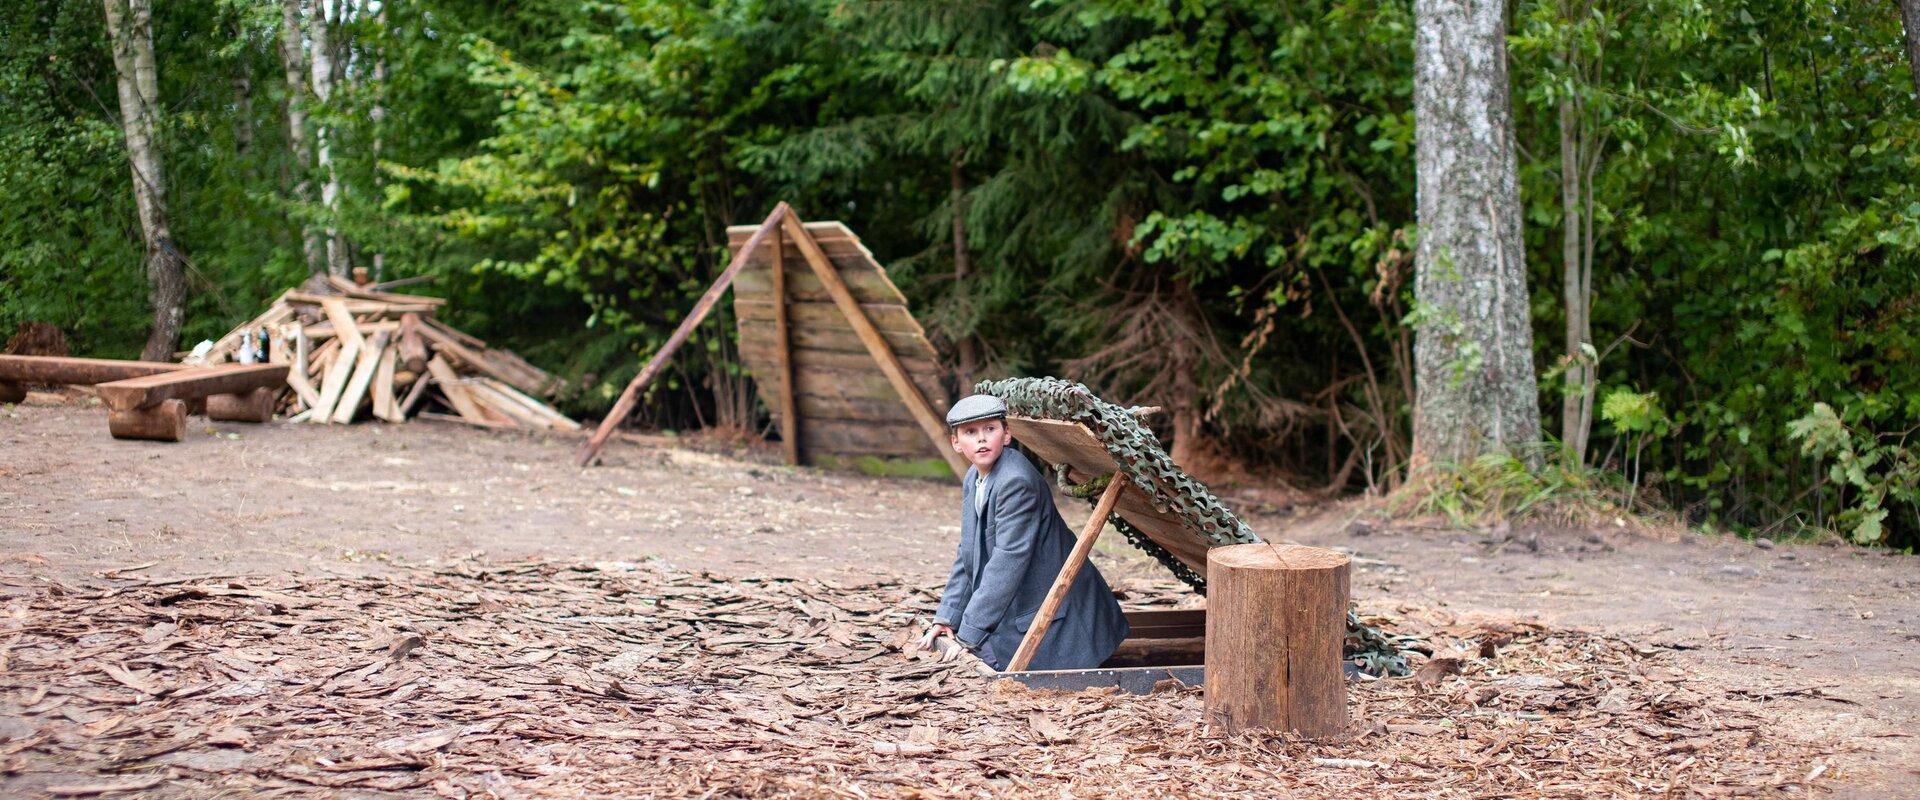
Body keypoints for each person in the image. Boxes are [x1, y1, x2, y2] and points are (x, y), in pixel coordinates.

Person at [915, 393, 1129, 671]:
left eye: (989, 429)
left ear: (1006, 435)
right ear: (956, 442)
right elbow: (968, 551)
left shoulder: (1016, 481)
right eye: (970, 432)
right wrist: (948, 618)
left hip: (1064, 627)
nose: (981, 439)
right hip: (1024, 611)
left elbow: (1007, 561)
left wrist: (966, 637)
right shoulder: (974, 478)